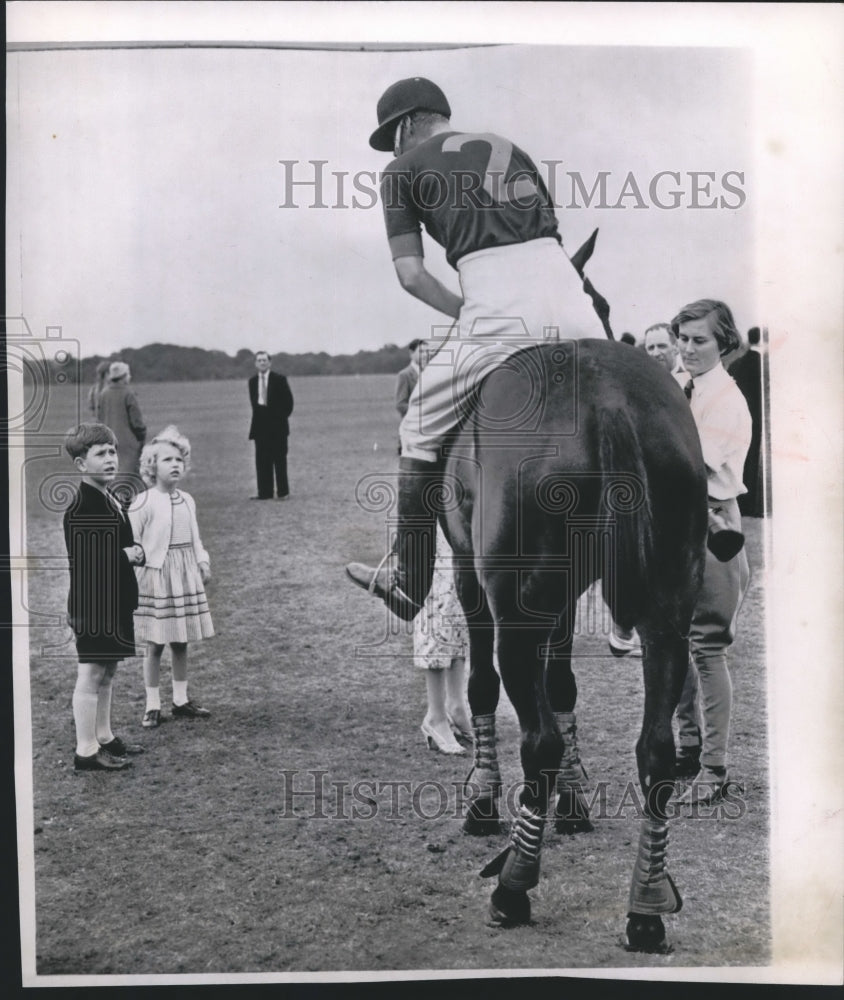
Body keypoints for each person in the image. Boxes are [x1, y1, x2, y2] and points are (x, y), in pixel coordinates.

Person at [345, 76, 606, 620]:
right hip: (571, 294)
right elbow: (549, 236)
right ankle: (705, 516)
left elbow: (412, 276)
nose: (391, 146)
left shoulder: (400, 171)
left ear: (408, 123)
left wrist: (467, 313)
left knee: (416, 429)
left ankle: (410, 581)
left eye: (391, 134)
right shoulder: (512, 148)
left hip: (496, 300)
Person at [671, 300, 752, 805]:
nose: (687, 348)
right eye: (682, 337)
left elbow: (694, 466)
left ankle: (715, 769)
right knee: (673, 641)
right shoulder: (686, 386)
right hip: (679, 527)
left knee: (706, 648)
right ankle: (687, 745)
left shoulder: (727, 398)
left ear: (723, 342)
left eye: (699, 340)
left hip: (715, 525)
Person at [62, 423, 146, 772]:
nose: (111, 458)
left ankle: (104, 736)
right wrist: (127, 555)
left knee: (108, 672)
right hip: (95, 605)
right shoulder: (83, 506)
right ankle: (85, 751)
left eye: (112, 451)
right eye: (101, 453)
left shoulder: (108, 496)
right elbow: (88, 560)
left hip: (112, 602)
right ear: (81, 465)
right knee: (92, 673)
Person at [128, 426, 214, 728]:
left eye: (179, 459)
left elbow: (196, 540)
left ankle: (180, 700)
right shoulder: (143, 502)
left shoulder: (188, 500)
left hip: (184, 574)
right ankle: (153, 705)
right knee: (154, 644)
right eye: (167, 460)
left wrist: (202, 562)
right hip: (156, 577)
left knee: (180, 641)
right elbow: (132, 542)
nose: (175, 464)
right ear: (152, 466)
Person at [414, 523, 473, 755]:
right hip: (431, 506)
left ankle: (456, 705)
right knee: (439, 594)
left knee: (462, 597)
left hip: (463, 499)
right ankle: (436, 715)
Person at [248, 351, 294, 500]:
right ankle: (264, 493)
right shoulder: (252, 382)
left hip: (278, 428)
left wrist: (278, 419)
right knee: (262, 461)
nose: (262, 363)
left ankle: (283, 492)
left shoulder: (280, 380)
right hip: (260, 428)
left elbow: (289, 404)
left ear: (269, 362)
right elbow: (255, 406)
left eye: (264, 360)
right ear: (256, 363)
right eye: (259, 360)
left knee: (279, 460)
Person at [728, 327, 765, 517]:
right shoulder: (765, 366)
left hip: (736, 422)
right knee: (755, 463)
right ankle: (754, 505)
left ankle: (741, 503)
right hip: (759, 421)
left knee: (741, 461)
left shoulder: (736, 364)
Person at [96, 361, 147, 480]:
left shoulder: (103, 393)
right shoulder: (129, 394)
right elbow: (137, 422)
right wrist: (141, 438)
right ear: (123, 377)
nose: (130, 376)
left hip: (108, 442)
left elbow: (99, 419)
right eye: (128, 374)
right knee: (130, 482)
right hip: (128, 446)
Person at [642, 322, 690, 388]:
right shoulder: (644, 384)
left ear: (676, 347)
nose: (656, 353)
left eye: (662, 346)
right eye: (651, 348)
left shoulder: (689, 383)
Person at [395, 339, 424, 420]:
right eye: (421, 352)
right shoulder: (404, 375)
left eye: (426, 352)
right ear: (411, 353)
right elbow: (400, 405)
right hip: (412, 424)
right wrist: (423, 411)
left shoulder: (429, 373)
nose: (425, 355)